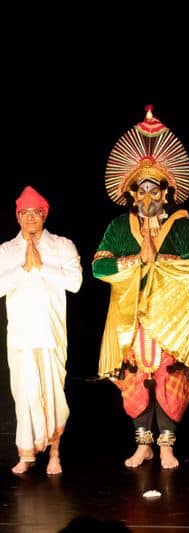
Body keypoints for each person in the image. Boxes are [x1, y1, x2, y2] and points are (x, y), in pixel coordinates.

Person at [93, 106, 189, 469]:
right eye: (140, 189)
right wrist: (135, 262)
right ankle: (143, 444)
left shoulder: (182, 226)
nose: (147, 195)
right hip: (132, 319)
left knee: (169, 377)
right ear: (131, 193)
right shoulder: (118, 225)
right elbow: (99, 266)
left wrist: (156, 259)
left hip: (173, 319)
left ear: (165, 191)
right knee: (136, 378)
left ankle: (168, 446)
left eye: (153, 188)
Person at [0, 186, 82, 474]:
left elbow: (75, 283)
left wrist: (42, 266)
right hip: (21, 336)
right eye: (25, 213)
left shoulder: (62, 246)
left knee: (53, 392)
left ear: (44, 215)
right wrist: (24, 268)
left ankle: (55, 454)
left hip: (51, 334)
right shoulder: (6, 251)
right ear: (18, 217)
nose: (31, 218)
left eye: (36, 213)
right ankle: (26, 454)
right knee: (25, 393)